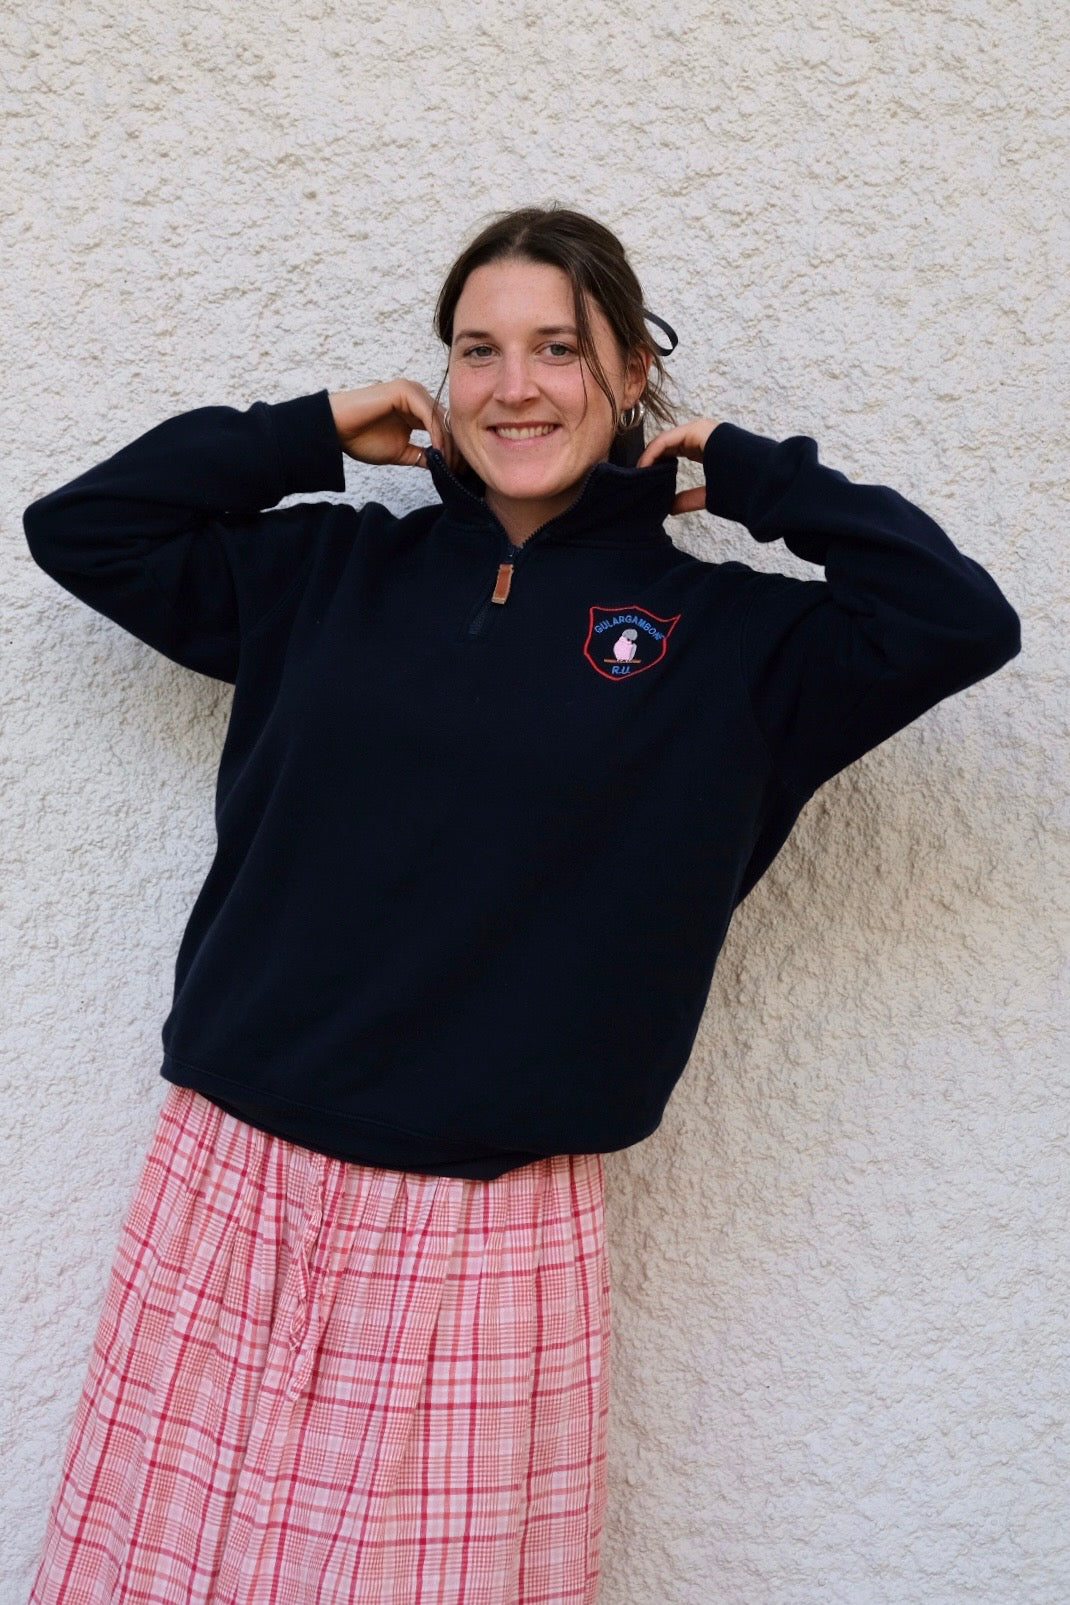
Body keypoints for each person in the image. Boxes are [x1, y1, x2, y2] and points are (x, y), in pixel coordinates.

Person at [22, 204, 1020, 1605]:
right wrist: (305, 435)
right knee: (159, 1573)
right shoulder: (323, 571)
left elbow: (958, 620)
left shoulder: (730, 645)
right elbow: (82, 528)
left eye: (559, 347)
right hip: (234, 1172)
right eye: (477, 349)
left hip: (485, 1215)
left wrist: (750, 473)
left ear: (631, 376)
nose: (514, 386)